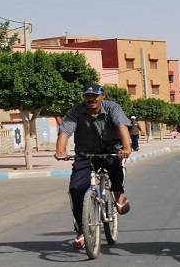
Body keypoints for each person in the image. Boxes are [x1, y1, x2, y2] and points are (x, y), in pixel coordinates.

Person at [54, 83, 132, 249]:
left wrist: (126, 148)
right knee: (75, 189)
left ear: (102, 95)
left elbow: (122, 127)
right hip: (86, 154)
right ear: (84, 97)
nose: (91, 99)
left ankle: (118, 193)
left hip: (110, 150)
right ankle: (82, 232)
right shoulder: (76, 111)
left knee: (114, 165)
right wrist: (60, 150)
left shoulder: (112, 108)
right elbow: (65, 131)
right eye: (88, 96)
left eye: (95, 95)